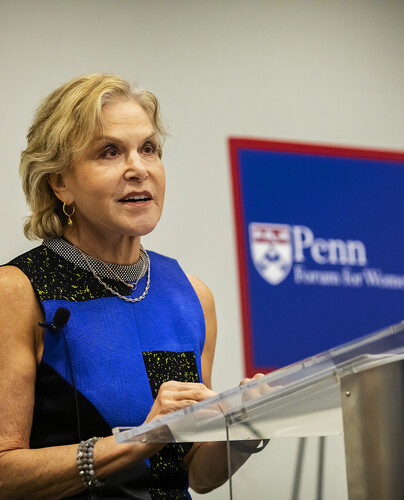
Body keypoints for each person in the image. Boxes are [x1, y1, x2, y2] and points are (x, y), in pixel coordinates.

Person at [0, 74, 262, 499]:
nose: (138, 168)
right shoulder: (16, 292)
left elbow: (195, 472)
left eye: (149, 149)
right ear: (59, 182)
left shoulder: (193, 297)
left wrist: (249, 424)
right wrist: (140, 439)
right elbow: (4, 471)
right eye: (109, 152)